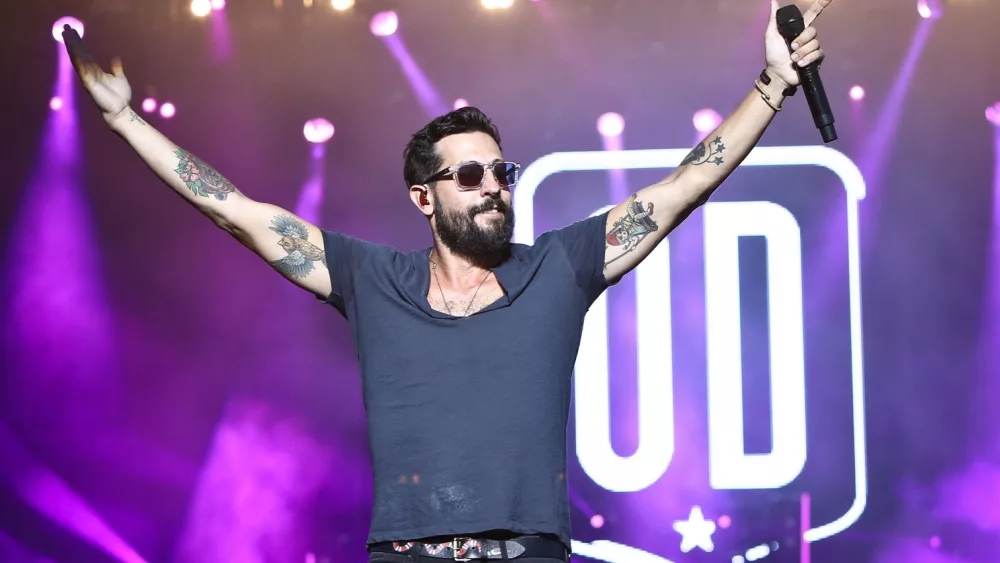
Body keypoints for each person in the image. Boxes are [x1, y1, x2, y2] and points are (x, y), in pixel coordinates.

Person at [63, 1, 832, 561]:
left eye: (502, 170)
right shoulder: (373, 279)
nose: (494, 184)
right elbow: (241, 215)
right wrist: (128, 123)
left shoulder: (555, 268)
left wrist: (770, 84)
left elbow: (678, 190)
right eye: (470, 173)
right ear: (425, 198)